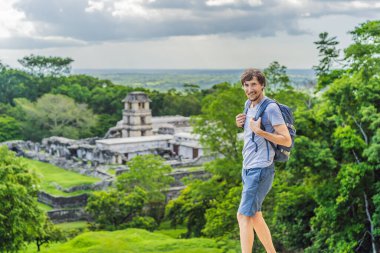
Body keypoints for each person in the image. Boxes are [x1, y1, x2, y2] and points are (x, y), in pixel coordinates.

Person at [235, 68, 291, 253]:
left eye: (253, 85)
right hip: (248, 167)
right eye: (246, 85)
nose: (250, 89)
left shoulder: (271, 108)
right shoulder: (248, 105)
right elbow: (250, 131)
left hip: (260, 169)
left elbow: (286, 139)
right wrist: (241, 123)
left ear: (262, 85)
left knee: (243, 216)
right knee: (256, 215)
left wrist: (260, 132)